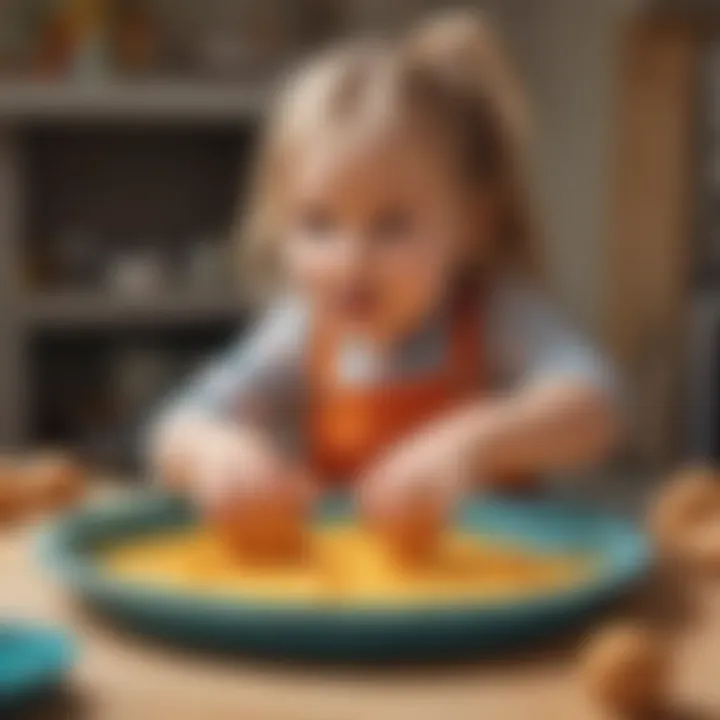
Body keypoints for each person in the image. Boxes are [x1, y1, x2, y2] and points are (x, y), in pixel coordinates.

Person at [149, 11, 620, 539]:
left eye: (391, 225)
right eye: (317, 223)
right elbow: (177, 426)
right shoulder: (303, 332)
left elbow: (594, 408)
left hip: (500, 599)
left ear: (473, 225)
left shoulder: (493, 319)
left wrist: (467, 446)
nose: (350, 259)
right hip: (353, 609)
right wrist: (219, 455)